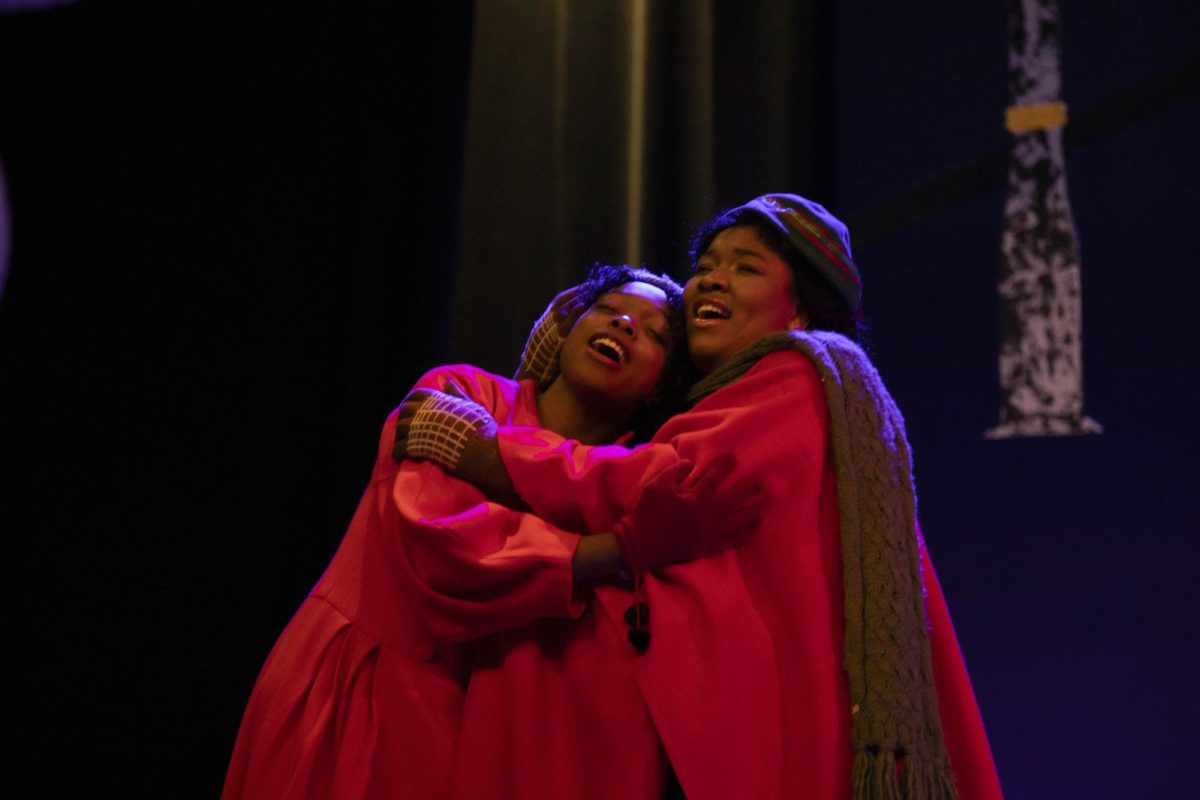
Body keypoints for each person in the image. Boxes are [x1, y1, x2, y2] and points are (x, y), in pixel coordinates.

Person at [398, 194, 1004, 799]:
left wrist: (489, 449)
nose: (712, 278)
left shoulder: (797, 375)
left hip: (778, 731)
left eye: (746, 267)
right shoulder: (761, 397)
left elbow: (657, 486)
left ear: (800, 312)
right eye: (707, 264)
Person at [220, 265, 759, 800]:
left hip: (470, 734)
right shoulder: (460, 394)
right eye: (607, 307)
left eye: (656, 333)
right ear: (568, 324)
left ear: (658, 389)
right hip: (354, 690)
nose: (624, 322)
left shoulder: (618, 482)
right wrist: (619, 549)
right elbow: (446, 546)